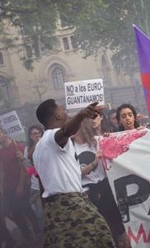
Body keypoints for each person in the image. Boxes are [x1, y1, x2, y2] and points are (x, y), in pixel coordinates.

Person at [33, 100, 114, 247]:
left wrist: (95, 163)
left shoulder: (40, 147)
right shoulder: (52, 137)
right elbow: (65, 132)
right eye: (63, 110)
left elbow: (44, 186)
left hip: (59, 207)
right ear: (58, 115)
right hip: (70, 207)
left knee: (101, 236)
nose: (67, 114)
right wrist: (82, 115)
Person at [73, 118, 130, 247]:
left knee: (119, 224)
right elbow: (75, 173)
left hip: (106, 185)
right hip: (89, 192)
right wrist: (94, 163)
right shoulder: (70, 149)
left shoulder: (96, 142)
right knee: (104, 226)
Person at [1, 128, 40, 245]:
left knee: (26, 209)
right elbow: (2, 171)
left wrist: (20, 186)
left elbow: (25, 168)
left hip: (22, 184)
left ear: (2, 132)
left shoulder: (18, 146)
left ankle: (38, 232)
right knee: (16, 214)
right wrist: (2, 188)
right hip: (9, 187)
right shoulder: (1, 151)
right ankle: (28, 238)